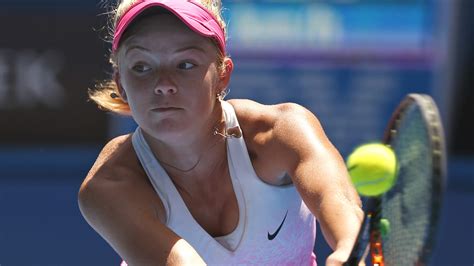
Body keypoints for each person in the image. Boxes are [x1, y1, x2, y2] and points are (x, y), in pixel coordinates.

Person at [78, 0, 364, 265]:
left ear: (222, 74)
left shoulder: (282, 131)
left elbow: (339, 206)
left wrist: (350, 254)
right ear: (121, 83)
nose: (163, 84)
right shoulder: (110, 186)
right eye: (141, 67)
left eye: (185, 64)